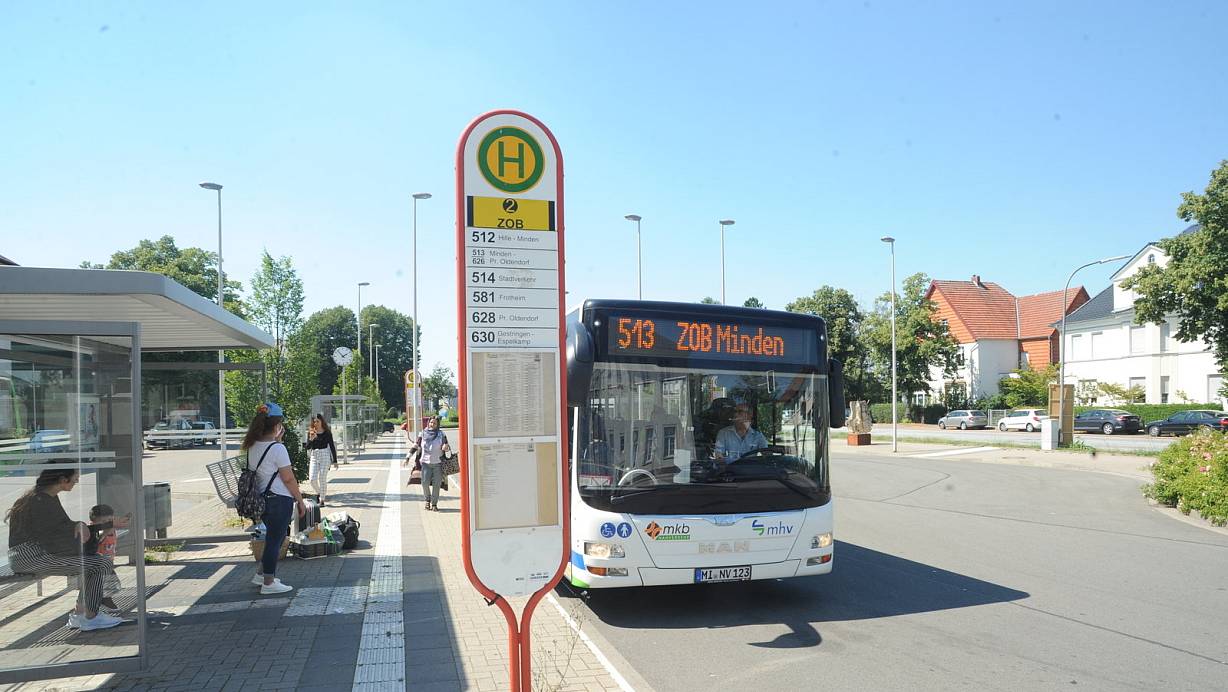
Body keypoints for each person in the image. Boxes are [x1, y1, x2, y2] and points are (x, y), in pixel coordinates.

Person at [5, 467, 130, 631]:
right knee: (100, 564)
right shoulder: (42, 501)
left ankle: (80, 615)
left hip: (28, 555)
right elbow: (59, 533)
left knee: (93, 563)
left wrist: (104, 525)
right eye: (75, 478)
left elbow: (62, 529)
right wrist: (86, 527)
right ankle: (90, 618)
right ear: (63, 479)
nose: (77, 481)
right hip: (32, 557)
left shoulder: (40, 497)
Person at [242, 402, 307, 595]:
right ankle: (268, 583)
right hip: (280, 499)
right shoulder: (278, 450)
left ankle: (262, 574)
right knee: (275, 541)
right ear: (277, 425)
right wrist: (300, 500)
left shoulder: (252, 446)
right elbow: (288, 478)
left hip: (263, 499)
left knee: (273, 538)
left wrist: (276, 441)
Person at [88, 503, 124, 611]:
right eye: (103, 522)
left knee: (112, 583)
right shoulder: (94, 531)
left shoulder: (112, 530)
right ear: (93, 523)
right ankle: (104, 602)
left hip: (107, 562)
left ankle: (103, 601)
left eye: (109, 521)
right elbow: (97, 541)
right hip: (98, 564)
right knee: (105, 584)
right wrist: (104, 531)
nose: (107, 524)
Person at [412, 416, 451, 511]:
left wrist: (446, 447)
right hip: (425, 463)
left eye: (434, 423)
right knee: (424, 483)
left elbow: (447, 446)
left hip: (438, 463)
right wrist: (408, 457)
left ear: (437, 424)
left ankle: (434, 504)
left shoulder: (441, 434)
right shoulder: (423, 433)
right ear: (428, 423)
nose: (432, 424)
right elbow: (417, 444)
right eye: (431, 422)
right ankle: (427, 499)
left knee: (436, 484)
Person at [305, 414, 337, 506]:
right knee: (312, 479)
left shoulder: (327, 432)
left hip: (325, 455)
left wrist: (335, 461)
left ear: (322, 421)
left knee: (322, 478)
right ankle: (320, 493)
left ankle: (322, 500)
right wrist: (311, 439)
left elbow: (331, 447)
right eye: (314, 421)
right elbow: (307, 447)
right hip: (314, 455)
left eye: (317, 421)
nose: (316, 423)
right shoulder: (311, 432)